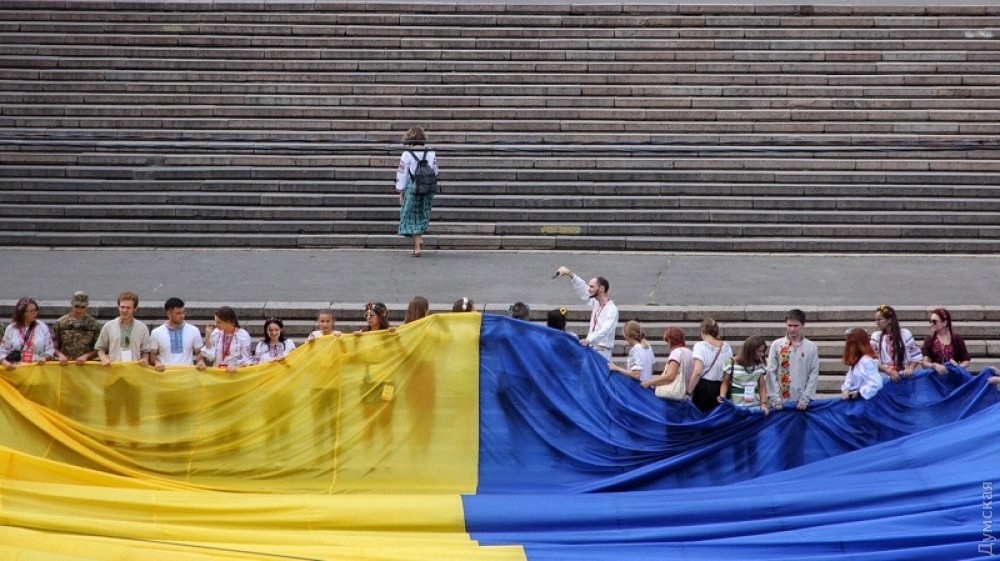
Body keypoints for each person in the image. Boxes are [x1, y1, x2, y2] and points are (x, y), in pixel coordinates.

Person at [95, 290, 151, 442]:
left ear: (135, 309)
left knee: (133, 416)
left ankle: (134, 445)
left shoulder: (142, 328)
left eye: (128, 308)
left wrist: (145, 359)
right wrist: (104, 358)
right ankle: (110, 444)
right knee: (111, 416)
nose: (124, 310)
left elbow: (146, 350)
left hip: (133, 379)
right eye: (122, 307)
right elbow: (100, 347)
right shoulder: (109, 326)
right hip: (113, 378)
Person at [553, 265, 619, 360]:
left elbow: (606, 329)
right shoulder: (596, 303)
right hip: (591, 350)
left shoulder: (612, 309)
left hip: (602, 353)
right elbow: (582, 289)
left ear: (601, 289)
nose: (589, 289)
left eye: (592, 286)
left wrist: (589, 339)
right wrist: (569, 273)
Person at [396, 125, 439, 257]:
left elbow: (402, 174)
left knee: (409, 215)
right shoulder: (431, 153)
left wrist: (401, 191)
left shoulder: (407, 154)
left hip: (413, 187)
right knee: (422, 214)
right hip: (428, 187)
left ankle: (418, 244)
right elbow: (435, 171)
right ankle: (417, 245)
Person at [765, 308, 820, 411]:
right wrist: (774, 397)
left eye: (796, 326)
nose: (792, 329)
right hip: (780, 401)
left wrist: (806, 397)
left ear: (803, 325)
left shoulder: (811, 347)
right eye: (789, 325)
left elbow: (813, 373)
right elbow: (771, 371)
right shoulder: (777, 345)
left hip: (802, 401)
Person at [687, 318, 733, 413]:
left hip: (704, 388)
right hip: (721, 388)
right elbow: (727, 373)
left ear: (702, 331)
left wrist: (689, 391)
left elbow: (697, 371)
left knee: (701, 416)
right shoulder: (727, 347)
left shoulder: (700, 346)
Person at [149, 297, 206, 370]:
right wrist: (157, 363)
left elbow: (199, 352)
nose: (182, 316)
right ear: (169, 313)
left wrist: (201, 361)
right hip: (165, 374)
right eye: (178, 313)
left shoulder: (194, 330)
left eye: (183, 312)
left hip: (187, 374)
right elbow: (152, 354)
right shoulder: (157, 332)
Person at [0, 296, 55, 370]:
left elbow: (50, 349)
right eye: (31, 311)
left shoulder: (42, 327)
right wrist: (5, 362)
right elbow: (3, 350)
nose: (35, 313)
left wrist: (44, 358)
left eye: (35, 310)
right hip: (17, 369)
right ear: (22, 313)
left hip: (37, 368)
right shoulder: (11, 328)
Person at [870, 304, 922, 381]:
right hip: (885, 379)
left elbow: (915, 354)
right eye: (876, 320)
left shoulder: (905, 334)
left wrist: (911, 367)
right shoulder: (876, 337)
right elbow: (872, 360)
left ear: (889, 320)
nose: (876, 323)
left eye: (879, 320)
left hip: (905, 377)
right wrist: (888, 371)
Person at [721, 335, 769, 413]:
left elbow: (762, 387)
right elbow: (725, 383)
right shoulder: (731, 363)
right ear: (750, 351)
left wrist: (763, 404)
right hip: (736, 408)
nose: (762, 354)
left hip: (755, 408)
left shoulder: (760, 365)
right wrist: (722, 396)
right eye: (759, 351)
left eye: (763, 351)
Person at [642, 327, 693, 398]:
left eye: (667, 341)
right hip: (685, 393)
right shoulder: (689, 352)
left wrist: (651, 382)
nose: (667, 344)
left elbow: (670, 376)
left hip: (674, 393)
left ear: (670, 340)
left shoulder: (676, 353)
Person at [52, 291, 99, 366]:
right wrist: (60, 355)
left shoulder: (93, 324)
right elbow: (52, 346)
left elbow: (99, 348)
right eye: (76, 306)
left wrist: (86, 356)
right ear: (71, 303)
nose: (79, 310)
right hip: (65, 365)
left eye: (83, 307)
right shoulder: (61, 323)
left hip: (86, 366)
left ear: (87, 306)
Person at [202, 306, 253, 372]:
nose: (216, 325)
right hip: (219, 372)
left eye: (219, 322)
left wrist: (236, 367)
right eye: (215, 321)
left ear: (228, 321)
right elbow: (211, 357)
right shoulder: (216, 333)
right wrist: (207, 337)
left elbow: (247, 359)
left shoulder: (242, 335)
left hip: (235, 373)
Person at [921, 307, 971, 374]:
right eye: (930, 321)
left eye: (934, 321)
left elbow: (966, 360)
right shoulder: (929, 339)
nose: (931, 324)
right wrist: (934, 366)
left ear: (945, 323)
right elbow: (924, 363)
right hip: (936, 376)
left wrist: (958, 367)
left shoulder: (956, 338)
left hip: (954, 375)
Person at [841, 328, 884, 400]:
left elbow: (876, 383)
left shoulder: (866, 361)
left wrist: (860, 392)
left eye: (852, 344)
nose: (849, 347)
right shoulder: (856, 361)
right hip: (855, 398)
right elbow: (850, 378)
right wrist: (846, 389)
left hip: (867, 401)